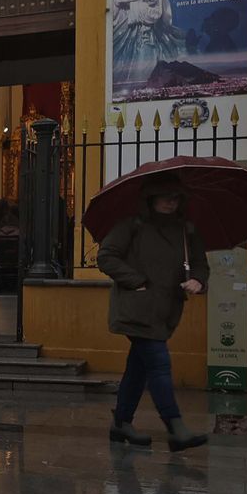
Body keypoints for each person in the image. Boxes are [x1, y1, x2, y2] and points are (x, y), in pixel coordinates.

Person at [97, 174, 209, 451]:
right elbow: (106, 256)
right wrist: (138, 281)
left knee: (138, 369)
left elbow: (200, 264)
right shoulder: (132, 226)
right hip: (137, 308)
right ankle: (175, 428)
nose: (171, 202)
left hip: (166, 309)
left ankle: (121, 423)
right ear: (151, 199)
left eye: (176, 197)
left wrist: (198, 280)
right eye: (165, 197)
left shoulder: (186, 230)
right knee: (158, 364)